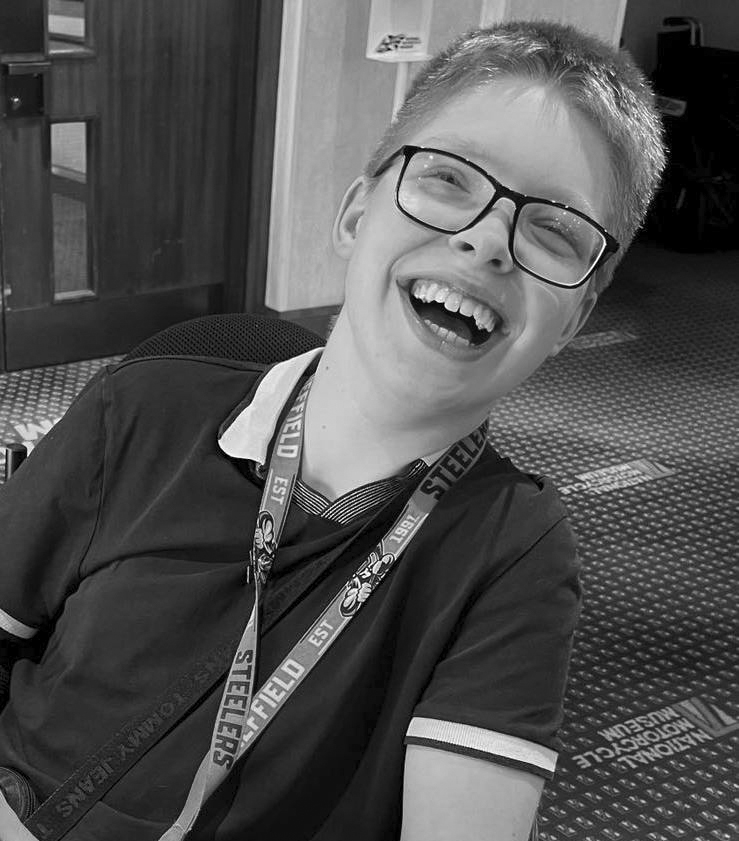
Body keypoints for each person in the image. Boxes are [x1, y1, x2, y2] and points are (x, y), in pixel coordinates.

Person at [0, 19, 665, 841]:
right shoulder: (140, 408)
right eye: (449, 178)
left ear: (573, 321)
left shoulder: (510, 551)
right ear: (354, 214)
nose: (487, 239)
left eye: (555, 230)